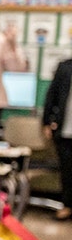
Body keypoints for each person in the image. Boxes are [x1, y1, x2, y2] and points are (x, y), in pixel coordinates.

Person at [43, 55, 72, 220]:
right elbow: (52, 94)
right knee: (67, 170)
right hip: (65, 130)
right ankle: (67, 205)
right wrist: (47, 121)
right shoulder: (65, 67)